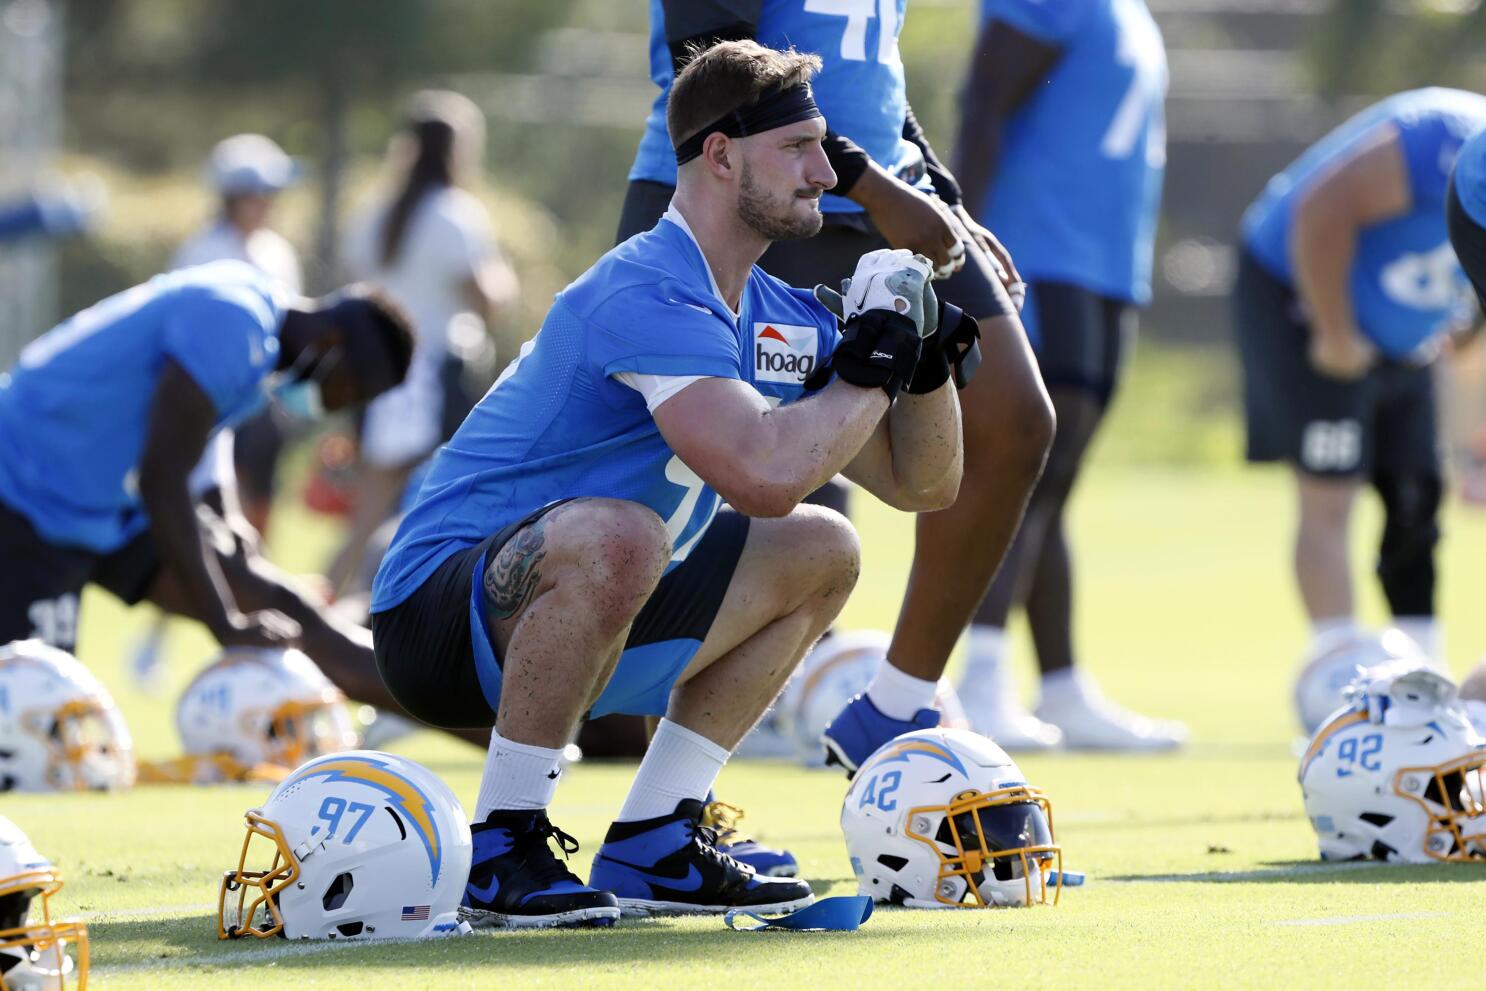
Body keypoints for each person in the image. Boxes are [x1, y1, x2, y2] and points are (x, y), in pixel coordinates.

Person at [370, 41, 966, 927]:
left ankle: (658, 834)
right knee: (627, 533)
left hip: (587, 592)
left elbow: (924, 485)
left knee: (822, 545)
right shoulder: (647, 288)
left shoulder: (774, 309)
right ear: (720, 156)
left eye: (823, 149)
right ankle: (501, 844)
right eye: (799, 147)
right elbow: (763, 473)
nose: (822, 174)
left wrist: (918, 362)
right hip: (436, 614)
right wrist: (872, 367)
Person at [615, 2, 1052, 781]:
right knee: (672, 487)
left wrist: (939, 192)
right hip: (741, 193)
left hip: (873, 193)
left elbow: (865, 67)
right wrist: (872, 183)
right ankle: (666, 807)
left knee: (1013, 417)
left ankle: (895, 704)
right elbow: (711, 59)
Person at [0, 260, 424, 725]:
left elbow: (201, 429)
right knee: (31, 715)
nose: (336, 407)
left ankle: (502, 728)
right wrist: (226, 624)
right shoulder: (234, 322)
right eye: (347, 391)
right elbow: (163, 478)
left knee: (286, 611)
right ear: (330, 344)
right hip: (25, 491)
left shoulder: (254, 317)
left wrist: (226, 516)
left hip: (103, 503)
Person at [948, 0, 1184, 750]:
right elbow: (984, 99)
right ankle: (980, 676)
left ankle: (1061, 684)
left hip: (1106, 259)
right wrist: (958, 246)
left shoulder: (1128, 13)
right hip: (1037, 246)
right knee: (1020, 460)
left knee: (1057, 473)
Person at [1234, 88, 1486, 678]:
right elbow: (1321, 209)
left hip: (1408, 331)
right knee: (1331, 491)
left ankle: (1427, 673)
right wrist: (1334, 332)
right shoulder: (1443, 140)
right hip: (1307, 303)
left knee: (1417, 494)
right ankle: (1338, 668)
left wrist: (1466, 327)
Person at [328, 91, 519, 596]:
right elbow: (484, 298)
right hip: (433, 371)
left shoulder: (375, 211)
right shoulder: (454, 213)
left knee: (374, 504)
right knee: (425, 501)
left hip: (376, 367)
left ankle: (336, 601)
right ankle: (356, 605)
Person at [174, 133, 305, 537]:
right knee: (205, 490)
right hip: (210, 393)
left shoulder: (277, 252)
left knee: (261, 484)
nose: (267, 204)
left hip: (262, 394)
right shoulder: (201, 252)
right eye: (258, 194)